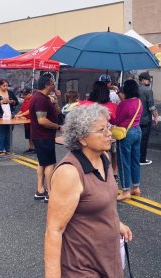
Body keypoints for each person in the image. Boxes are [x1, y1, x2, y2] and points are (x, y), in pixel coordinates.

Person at [44, 103, 132, 278]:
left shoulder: (104, 157)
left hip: (108, 257)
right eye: (101, 130)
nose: (109, 133)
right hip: (82, 266)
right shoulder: (69, 172)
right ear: (82, 139)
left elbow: (101, 201)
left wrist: (116, 224)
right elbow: (54, 230)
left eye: (108, 127)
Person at [29, 75, 61, 202]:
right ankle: (50, 192)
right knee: (49, 164)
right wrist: (58, 127)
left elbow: (58, 112)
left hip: (41, 135)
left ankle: (40, 190)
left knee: (42, 163)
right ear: (47, 85)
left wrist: (57, 99)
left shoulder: (45, 98)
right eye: (53, 83)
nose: (54, 85)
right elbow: (42, 120)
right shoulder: (40, 99)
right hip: (43, 136)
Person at [80, 81, 119, 179]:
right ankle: (113, 173)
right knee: (113, 153)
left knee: (95, 154)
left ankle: (94, 172)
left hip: (91, 135)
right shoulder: (112, 106)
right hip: (109, 133)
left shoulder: (84, 104)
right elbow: (115, 121)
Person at [111, 80, 142, 201]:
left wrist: (109, 113)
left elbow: (116, 121)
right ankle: (136, 187)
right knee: (135, 160)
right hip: (137, 131)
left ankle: (125, 190)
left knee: (123, 161)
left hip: (125, 133)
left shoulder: (124, 104)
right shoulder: (138, 102)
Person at [0, 79, 19, 155]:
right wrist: (1, 102)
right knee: (0, 133)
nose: (5, 87)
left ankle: (8, 149)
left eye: (7, 86)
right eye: (4, 86)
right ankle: (0, 149)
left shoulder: (10, 93)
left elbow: (16, 102)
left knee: (8, 133)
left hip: (9, 115)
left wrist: (12, 102)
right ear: (0, 85)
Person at [138, 72, 158, 165]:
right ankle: (142, 159)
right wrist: (156, 117)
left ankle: (134, 158)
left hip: (135, 119)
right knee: (144, 140)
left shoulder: (134, 89)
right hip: (145, 119)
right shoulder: (148, 90)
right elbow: (151, 106)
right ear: (142, 79)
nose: (149, 80)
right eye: (147, 79)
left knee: (135, 140)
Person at [15, 87, 34, 154]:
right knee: (29, 135)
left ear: (30, 93)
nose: (23, 96)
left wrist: (20, 115)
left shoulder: (33, 100)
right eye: (23, 94)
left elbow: (30, 110)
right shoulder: (25, 100)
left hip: (33, 121)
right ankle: (31, 148)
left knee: (33, 135)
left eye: (25, 94)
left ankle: (35, 148)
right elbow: (21, 110)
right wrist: (16, 115)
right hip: (26, 121)